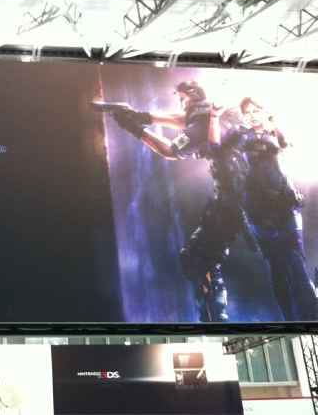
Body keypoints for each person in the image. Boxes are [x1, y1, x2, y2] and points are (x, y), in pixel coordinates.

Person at [106, 81, 252, 322]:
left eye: (183, 98)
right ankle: (215, 317)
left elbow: (171, 150)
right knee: (202, 256)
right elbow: (184, 119)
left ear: (194, 97)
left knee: (197, 258)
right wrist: (143, 116)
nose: (181, 104)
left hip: (232, 197)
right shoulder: (224, 112)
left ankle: (215, 320)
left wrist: (135, 128)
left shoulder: (206, 121)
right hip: (242, 194)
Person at [208, 97, 315, 320]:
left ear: (264, 110)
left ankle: (313, 317)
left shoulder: (276, 130)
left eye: (256, 110)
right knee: (276, 268)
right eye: (248, 112)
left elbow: (290, 147)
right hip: (258, 208)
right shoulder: (239, 133)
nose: (252, 115)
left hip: (286, 202)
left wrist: (275, 122)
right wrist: (214, 116)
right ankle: (290, 321)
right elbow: (214, 148)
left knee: (296, 261)